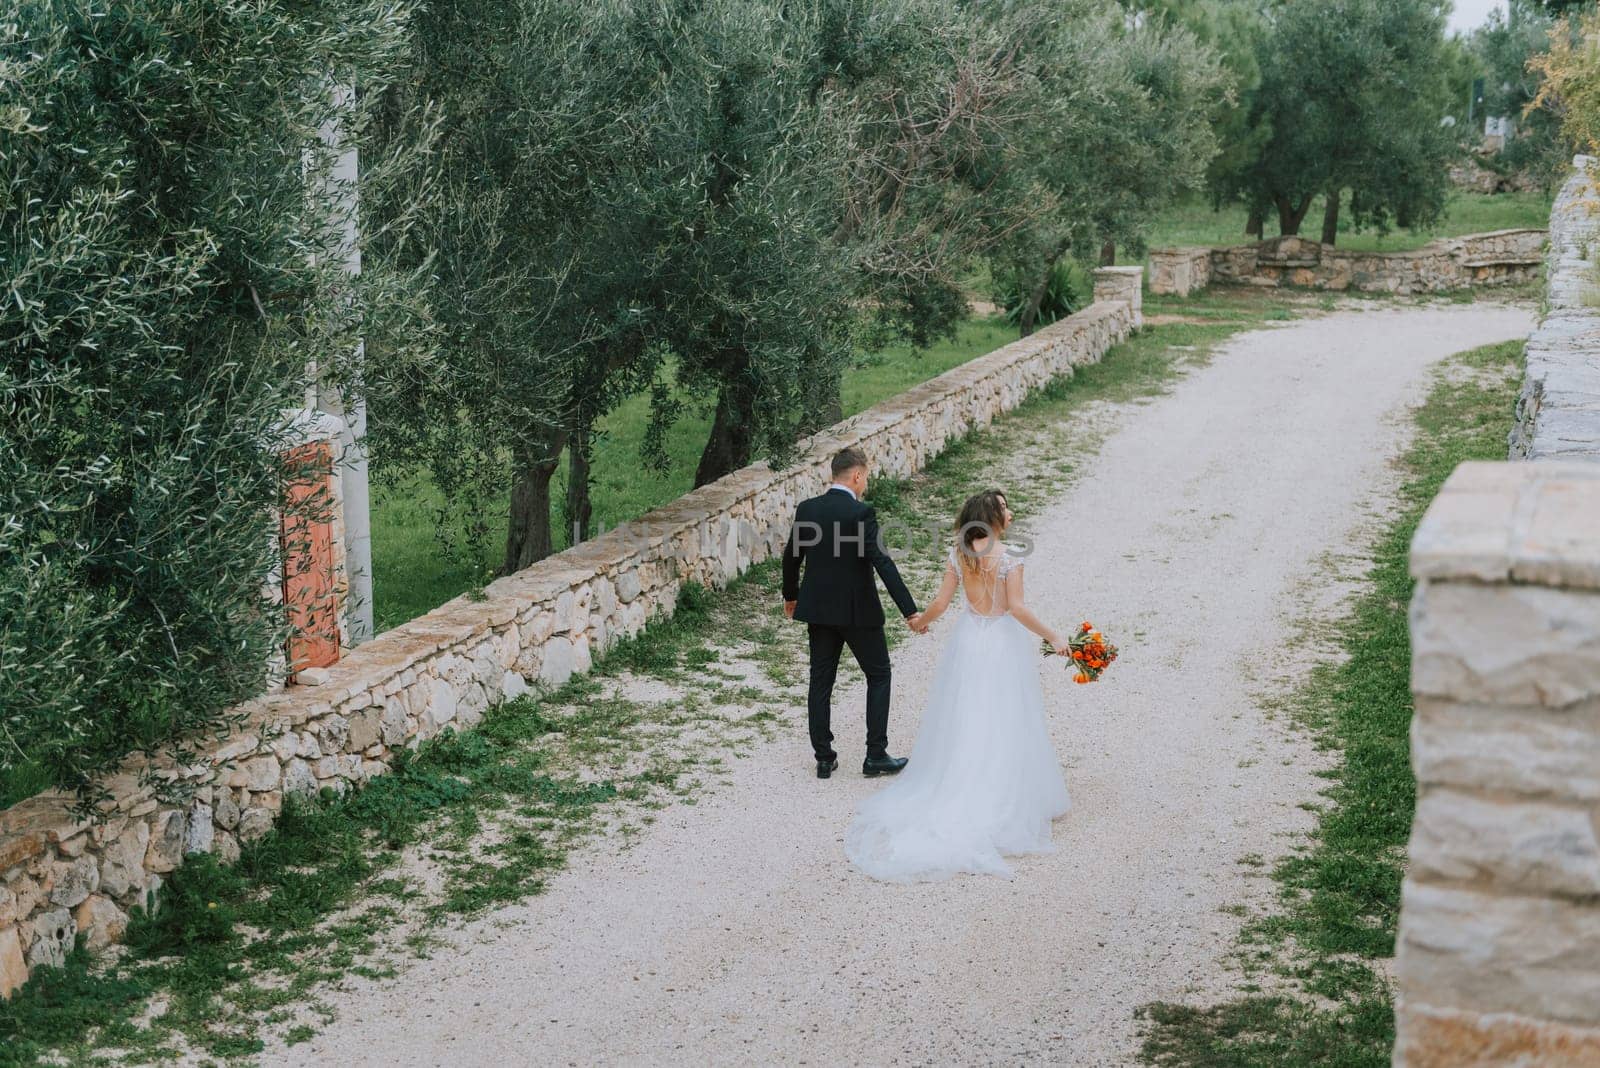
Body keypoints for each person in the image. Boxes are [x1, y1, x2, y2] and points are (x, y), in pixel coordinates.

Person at [844, 489, 1071, 882]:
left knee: (967, 713)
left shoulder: (959, 554)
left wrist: (919, 621)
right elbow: (1016, 609)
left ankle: (960, 778)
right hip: (1000, 641)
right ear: (992, 516)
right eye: (1004, 507)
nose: (1011, 511)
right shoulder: (1008, 558)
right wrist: (1052, 636)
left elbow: (941, 603)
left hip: (969, 640)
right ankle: (999, 790)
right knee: (1004, 714)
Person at [782, 447, 925, 780]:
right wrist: (910, 610)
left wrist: (792, 597)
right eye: (866, 477)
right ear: (857, 475)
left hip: (818, 610)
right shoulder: (861, 513)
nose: (866, 484)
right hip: (858, 612)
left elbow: (791, 557)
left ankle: (823, 757)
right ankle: (875, 755)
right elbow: (881, 562)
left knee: (820, 681)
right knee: (878, 675)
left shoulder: (808, 509)